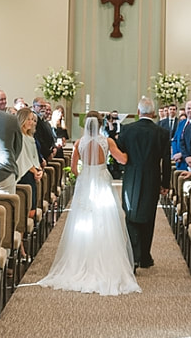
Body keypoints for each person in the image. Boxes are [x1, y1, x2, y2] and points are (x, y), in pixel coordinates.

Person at [35, 114, 139, 295]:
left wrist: (84, 174)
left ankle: (80, 260)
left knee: (83, 220)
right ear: (100, 125)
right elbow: (123, 159)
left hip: (86, 182)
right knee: (106, 218)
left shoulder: (79, 143)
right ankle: (106, 261)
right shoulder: (107, 141)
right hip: (101, 179)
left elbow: (74, 168)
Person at [117, 97, 172, 270]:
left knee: (131, 214)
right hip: (152, 178)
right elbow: (166, 160)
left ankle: (133, 255)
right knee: (149, 217)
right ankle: (145, 257)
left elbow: (120, 155)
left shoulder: (127, 129)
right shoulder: (161, 132)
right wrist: (165, 183)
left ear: (138, 112)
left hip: (132, 177)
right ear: (154, 113)